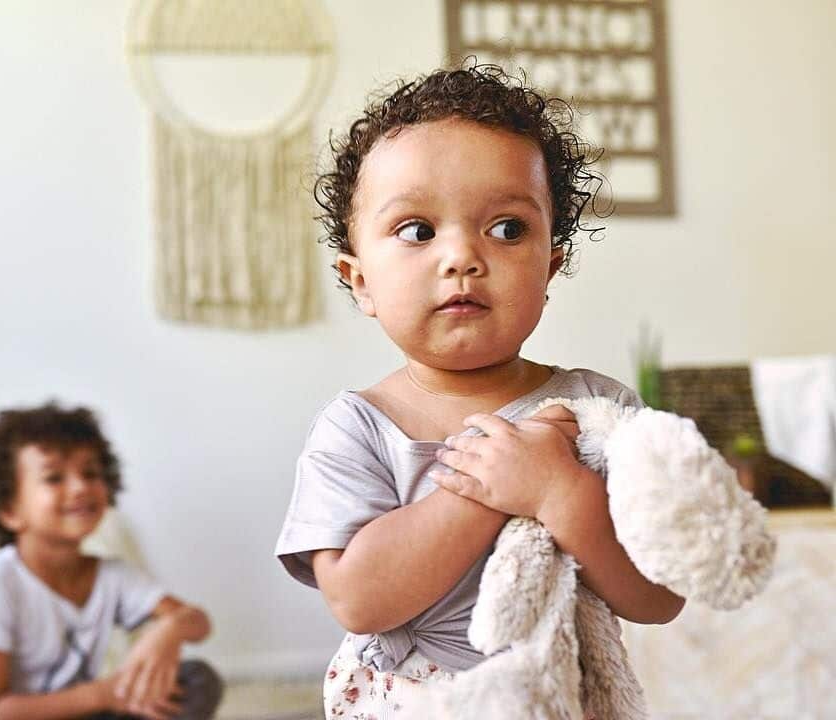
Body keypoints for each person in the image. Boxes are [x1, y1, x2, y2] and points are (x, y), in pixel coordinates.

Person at [275, 62, 685, 716]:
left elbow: (659, 597)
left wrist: (560, 491)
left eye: (507, 229)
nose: (463, 256)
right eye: (417, 230)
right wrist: (491, 491)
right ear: (359, 281)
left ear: (550, 265)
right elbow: (359, 598)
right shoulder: (355, 428)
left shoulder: (597, 413)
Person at [0, 403, 223, 720]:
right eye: (54, 478)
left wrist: (171, 629)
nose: (80, 487)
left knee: (197, 680)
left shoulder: (112, 576)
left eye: (90, 473)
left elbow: (200, 624)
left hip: (85, 714)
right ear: (9, 509)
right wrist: (105, 694)